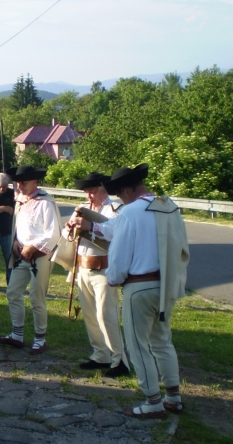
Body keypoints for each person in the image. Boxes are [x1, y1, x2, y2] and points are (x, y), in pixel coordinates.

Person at [98, 163, 190, 419]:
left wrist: (113, 278)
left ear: (127, 189)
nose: (120, 198)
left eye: (120, 193)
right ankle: (173, 396)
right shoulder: (169, 206)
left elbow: (119, 254)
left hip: (139, 286)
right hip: (166, 284)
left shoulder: (131, 213)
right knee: (162, 341)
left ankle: (153, 401)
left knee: (138, 345)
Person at [64, 172, 129, 378]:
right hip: (83, 267)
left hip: (103, 269)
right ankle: (100, 355)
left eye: (93, 191)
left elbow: (114, 232)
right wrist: (69, 227)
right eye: (87, 192)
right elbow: (67, 237)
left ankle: (119, 360)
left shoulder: (115, 209)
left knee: (106, 315)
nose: (89, 196)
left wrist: (91, 225)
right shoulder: (82, 209)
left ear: (103, 190)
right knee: (90, 315)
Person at [0, 166, 61, 355]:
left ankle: (40, 339)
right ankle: (17, 335)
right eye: (17, 182)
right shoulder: (22, 202)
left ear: (34, 182)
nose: (19, 185)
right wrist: (16, 241)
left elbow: (54, 233)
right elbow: (20, 228)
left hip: (40, 256)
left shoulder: (45, 202)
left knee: (36, 297)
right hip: (22, 255)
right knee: (13, 291)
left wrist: (33, 247)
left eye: (23, 182)